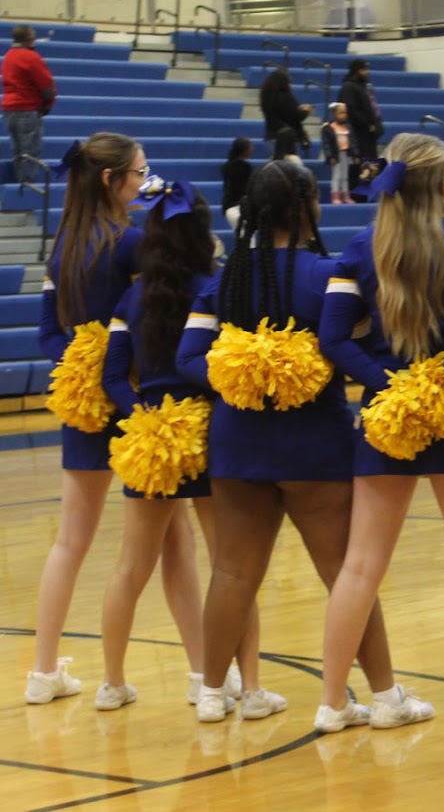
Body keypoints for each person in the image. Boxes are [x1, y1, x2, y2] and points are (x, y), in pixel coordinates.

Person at [174, 160, 399, 723]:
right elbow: (359, 346)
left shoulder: (223, 281)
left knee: (231, 571)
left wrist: (239, 373)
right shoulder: (326, 274)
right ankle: (385, 696)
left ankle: (209, 694)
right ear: (306, 207)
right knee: (346, 572)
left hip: (238, 444)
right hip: (314, 446)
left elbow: (187, 360)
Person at [28, 134, 204, 705]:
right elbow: (150, 325)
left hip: (85, 404)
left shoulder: (62, 248)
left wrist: (78, 368)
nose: (145, 181)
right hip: (135, 408)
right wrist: (117, 374)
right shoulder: (130, 245)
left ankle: (43, 671)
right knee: (176, 544)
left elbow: (49, 335)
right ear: (110, 180)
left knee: (70, 543)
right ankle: (207, 674)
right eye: (139, 172)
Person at [96, 180, 277, 714]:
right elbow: (225, 369)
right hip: (211, 439)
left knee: (130, 568)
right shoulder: (218, 287)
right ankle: (248, 688)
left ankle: (112, 684)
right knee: (231, 569)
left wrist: (148, 420)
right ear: (202, 233)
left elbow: (112, 380)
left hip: (153, 443)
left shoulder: (132, 296)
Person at [313, 133, 444, 732]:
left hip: (386, 417)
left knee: (361, 566)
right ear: (443, 184)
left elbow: (332, 340)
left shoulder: (359, 246)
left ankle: (333, 703)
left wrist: (388, 382)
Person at [2, 24, 56, 186]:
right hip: (27, 109)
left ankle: (21, 187)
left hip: (9, 110)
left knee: (18, 151)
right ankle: (29, 189)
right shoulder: (31, 57)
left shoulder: (8, 56)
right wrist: (48, 104)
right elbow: (46, 85)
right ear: (29, 39)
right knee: (30, 152)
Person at [339, 58, 382, 163]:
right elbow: (350, 110)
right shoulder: (349, 87)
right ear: (356, 70)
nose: (367, 72)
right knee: (361, 167)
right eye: (363, 70)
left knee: (371, 166)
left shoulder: (364, 87)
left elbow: (372, 107)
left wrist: (377, 124)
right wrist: (367, 124)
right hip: (357, 135)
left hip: (368, 135)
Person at [258, 68, 311, 148]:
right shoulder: (285, 97)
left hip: (271, 135)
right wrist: (305, 111)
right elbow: (295, 116)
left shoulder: (266, 97)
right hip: (287, 137)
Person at [320, 103, 354, 204]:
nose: (344, 115)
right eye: (341, 113)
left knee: (345, 176)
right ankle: (335, 196)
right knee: (337, 176)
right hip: (336, 155)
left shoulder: (348, 128)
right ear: (334, 114)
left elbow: (353, 142)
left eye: (345, 113)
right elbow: (327, 145)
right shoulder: (330, 128)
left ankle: (346, 195)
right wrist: (330, 156)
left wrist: (355, 153)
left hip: (346, 154)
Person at [221, 137, 253, 232]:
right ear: (244, 150)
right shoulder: (245, 167)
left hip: (228, 205)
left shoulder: (227, 166)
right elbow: (246, 188)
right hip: (239, 205)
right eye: (250, 147)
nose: (252, 150)